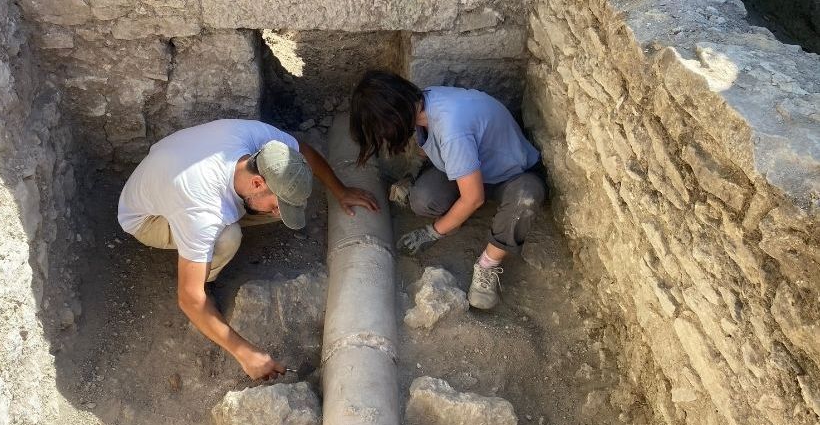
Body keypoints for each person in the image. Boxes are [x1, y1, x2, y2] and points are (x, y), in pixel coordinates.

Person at [117, 119, 378, 380]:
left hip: (172, 169)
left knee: (286, 205)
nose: (278, 211)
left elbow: (305, 153)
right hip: (146, 217)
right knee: (228, 237)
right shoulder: (203, 211)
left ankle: (243, 216)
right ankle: (209, 278)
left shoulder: (259, 143)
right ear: (256, 183)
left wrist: (340, 191)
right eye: (276, 203)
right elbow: (188, 298)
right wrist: (246, 353)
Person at [350, 70, 546, 310]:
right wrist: (411, 175)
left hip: (512, 174)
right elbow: (427, 149)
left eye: (382, 129)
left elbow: (474, 198)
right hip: (474, 169)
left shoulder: (452, 128)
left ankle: (488, 264)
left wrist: (432, 233)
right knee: (423, 199)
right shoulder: (423, 106)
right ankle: (457, 216)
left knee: (525, 198)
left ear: (394, 118)